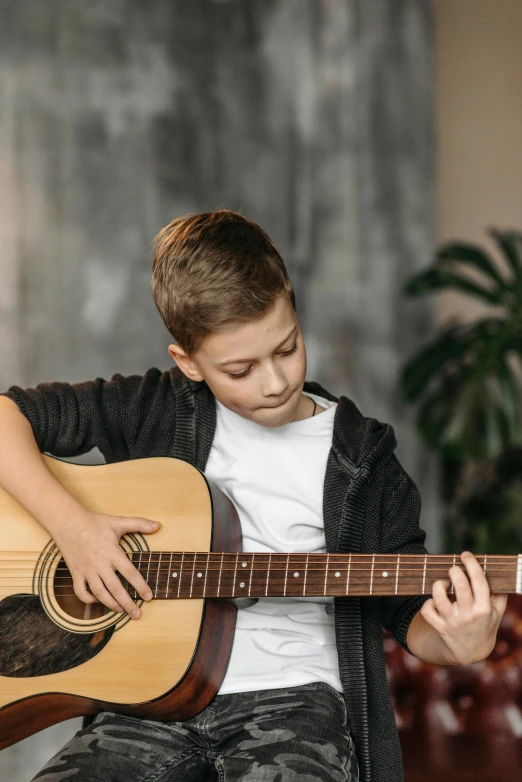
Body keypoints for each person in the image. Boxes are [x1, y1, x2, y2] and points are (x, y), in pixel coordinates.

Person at [0, 210, 507, 782]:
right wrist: (73, 528)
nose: (274, 382)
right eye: (240, 369)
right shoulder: (150, 406)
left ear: (291, 307)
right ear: (188, 362)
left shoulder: (362, 457)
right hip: (141, 709)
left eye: (287, 348)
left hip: (297, 707)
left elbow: (406, 608)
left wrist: (459, 640)